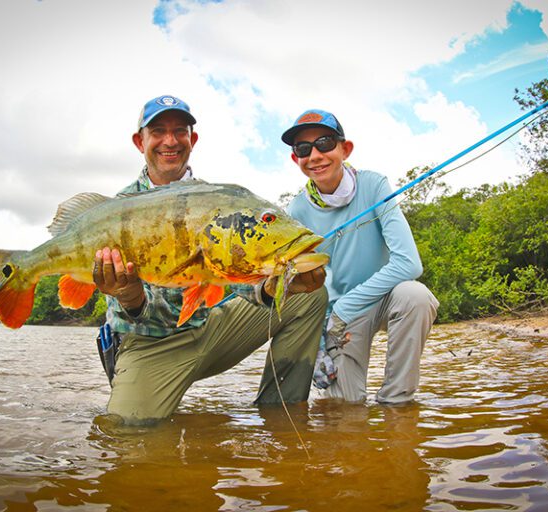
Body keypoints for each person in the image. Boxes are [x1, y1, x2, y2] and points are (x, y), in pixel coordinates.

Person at [92, 95, 328, 424]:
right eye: (158, 131)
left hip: (210, 329)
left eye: (180, 131)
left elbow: (233, 272)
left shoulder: (217, 201)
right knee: (128, 434)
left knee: (309, 296)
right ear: (139, 141)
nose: (170, 141)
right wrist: (128, 295)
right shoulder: (118, 208)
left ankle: (281, 417)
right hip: (150, 345)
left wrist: (276, 287)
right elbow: (137, 308)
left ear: (193, 139)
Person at [281, 109, 439, 404]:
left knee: (416, 296)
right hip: (335, 319)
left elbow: (409, 262)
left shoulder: (374, 185)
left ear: (345, 148)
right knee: (344, 410)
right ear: (296, 159)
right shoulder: (296, 211)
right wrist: (316, 346)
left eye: (325, 143)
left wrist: (344, 309)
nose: (315, 155)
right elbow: (302, 287)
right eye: (303, 149)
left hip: (380, 300)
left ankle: (397, 401)